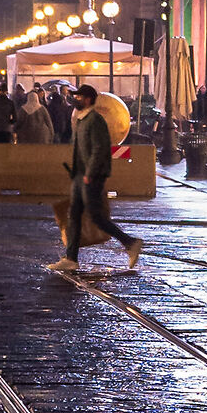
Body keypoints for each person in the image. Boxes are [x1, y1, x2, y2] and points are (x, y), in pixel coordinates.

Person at [63, 83, 142, 272]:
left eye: (79, 97)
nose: (75, 99)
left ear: (88, 100)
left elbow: (99, 149)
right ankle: (71, 259)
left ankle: (130, 242)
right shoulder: (82, 120)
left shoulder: (94, 120)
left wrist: (89, 174)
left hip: (91, 176)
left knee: (96, 217)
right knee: (74, 215)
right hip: (81, 175)